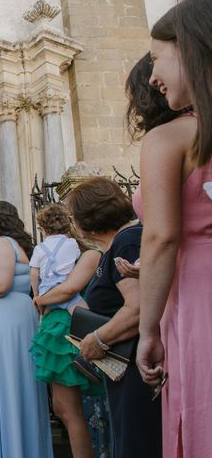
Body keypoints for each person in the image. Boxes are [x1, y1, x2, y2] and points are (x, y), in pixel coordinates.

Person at [135, 0, 212, 458]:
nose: (152, 77)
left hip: (198, 299)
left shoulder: (171, 137)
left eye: (156, 59)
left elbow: (162, 237)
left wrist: (149, 331)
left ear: (189, 47)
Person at [67, 177, 161, 458]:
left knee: (138, 443)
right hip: (125, 365)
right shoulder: (116, 245)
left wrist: (97, 338)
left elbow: (139, 307)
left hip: (135, 365)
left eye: (73, 216)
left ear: (87, 218)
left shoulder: (126, 241)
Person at [0, 201, 53, 458]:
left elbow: (1, 285)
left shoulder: (3, 244)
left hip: (4, 316)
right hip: (13, 315)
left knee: (4, 381)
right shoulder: (19, 245)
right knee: (15, 382)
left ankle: (8, 450)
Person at [29, 203, 95, 458]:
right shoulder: (72, 247)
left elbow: (37, 276)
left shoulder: (46, 248)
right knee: (61, 407)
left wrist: (38, 298)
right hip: (60, 312)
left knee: (68, 408)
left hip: (57, 315)